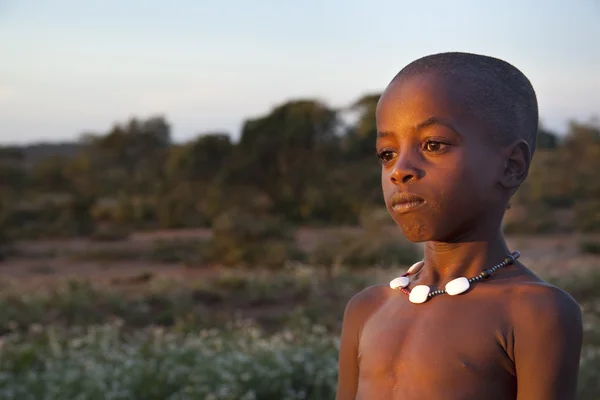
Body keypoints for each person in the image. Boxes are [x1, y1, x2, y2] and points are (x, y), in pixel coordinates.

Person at [335, 52, 583, 400]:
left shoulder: (533, 312)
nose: (399, 170)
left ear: (511, 166)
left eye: (433, 145)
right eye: (387, 153)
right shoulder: (367, 309)